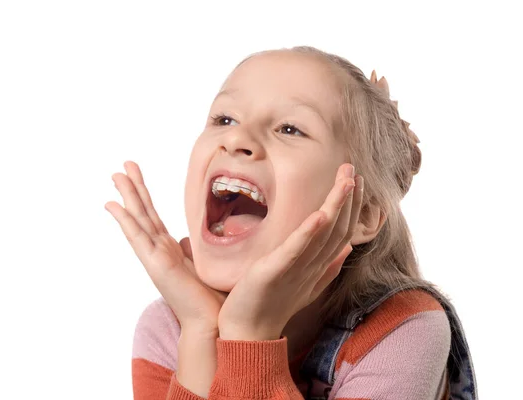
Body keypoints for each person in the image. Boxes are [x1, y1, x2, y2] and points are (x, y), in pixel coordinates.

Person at [105, 46, 478, 400]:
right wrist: (201, 332)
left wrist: (252, 337)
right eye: (224, 118)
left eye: (289, 129)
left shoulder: (402, 329)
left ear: (362, 214)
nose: (235, 137)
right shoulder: (171, 327)